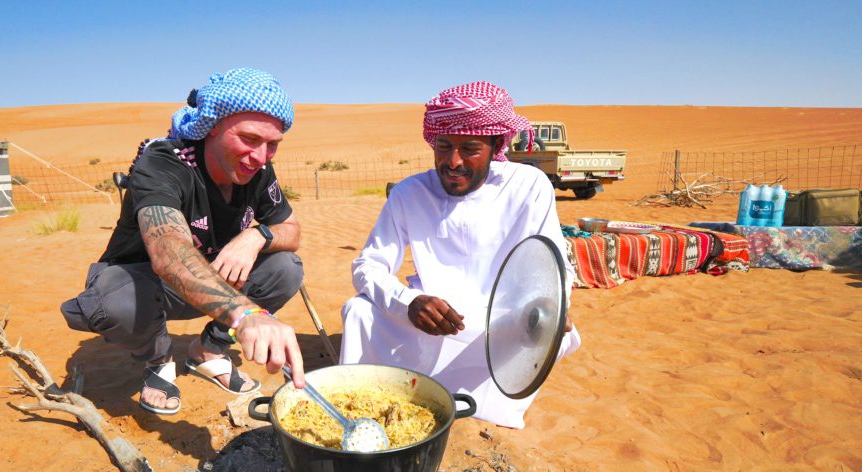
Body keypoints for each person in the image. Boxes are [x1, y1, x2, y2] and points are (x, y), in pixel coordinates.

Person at [61, 67, 307, 415]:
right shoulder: (163, 164)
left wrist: (258, 235)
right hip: (143, 288)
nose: (261, 156)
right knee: (111, 302)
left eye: (273, 145)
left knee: (285, 268)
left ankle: (208, 350)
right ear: (213, 126)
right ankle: (158, 359)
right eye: (250, 139)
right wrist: (246, 314)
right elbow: (170, 254)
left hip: (208, 283)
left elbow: (292, 231)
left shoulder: (258, 170)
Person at [339, 81, 581, 429]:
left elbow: (554, 264)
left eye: (469, 148)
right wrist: (408, 302)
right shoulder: (410, 192)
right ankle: (369, 401)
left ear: (497, 144)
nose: (453, 161)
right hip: (430, 321)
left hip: (501, 319)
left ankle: (483, 409)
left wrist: (552, 308)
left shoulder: (529, 185)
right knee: (359, 312)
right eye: (444, 147)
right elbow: (368, 265)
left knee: (551, 331)